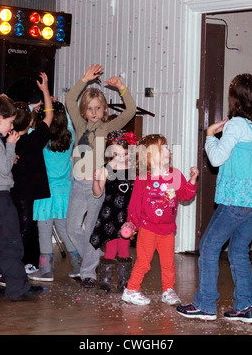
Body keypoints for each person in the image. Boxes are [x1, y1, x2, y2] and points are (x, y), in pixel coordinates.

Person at [176, 73, 252, 323]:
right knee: (239, 251)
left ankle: (205, 304)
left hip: (237, 201)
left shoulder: (236, 125)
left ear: (236, 99)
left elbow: (216, 159)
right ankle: (245, 308)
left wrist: (210, 135)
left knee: (209, 247)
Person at [65, 64, 137, 288]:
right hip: (78, 185)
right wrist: (85, 79)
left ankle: (88, 273)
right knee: (72, 228)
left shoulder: (107, 127)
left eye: (98, 108)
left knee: (92, 230)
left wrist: (122, 88)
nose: (94, 112)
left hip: (98, 187)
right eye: (90, 108)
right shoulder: (79, 125)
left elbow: (130, 111)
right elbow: (69, 100)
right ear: (84, 111)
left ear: (104, 110)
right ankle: (92, 257)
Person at [0, 94, 42, 301]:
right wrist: (11, 145)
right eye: (10, 122)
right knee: (11, 242)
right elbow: (4, 170)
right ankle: (17, 288)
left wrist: (8, 154)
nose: (11, 127)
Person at [121, 134, 199, 305]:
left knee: (168, 263)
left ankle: (168, 290)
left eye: (167, 147)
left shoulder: (175, 174)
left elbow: (185, 195)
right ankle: (131, 289)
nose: (168, 150)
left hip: (168, 229)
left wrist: (192, 181)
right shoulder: (143, 177)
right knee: (143, 261)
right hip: (147, 228)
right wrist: (131, 223)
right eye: (161, 148)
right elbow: (135, 204)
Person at [28, 100, 82, 282]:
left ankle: (46, 271)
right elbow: (66, 119)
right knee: (65, 230)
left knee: (44, 231)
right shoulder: (71, 136)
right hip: (65, 193)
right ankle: (78, 265)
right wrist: (59, 106)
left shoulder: (40, 139)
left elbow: (25, 122)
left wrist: (32, 108)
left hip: (44, 194)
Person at [11, 72, 52, 273]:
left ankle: (26, 262)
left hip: (13, 192)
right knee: (26, 229)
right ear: (29, 123)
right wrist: (45, 91)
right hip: (26, 195)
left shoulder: (7, 140)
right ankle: (19, 264)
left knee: (23, 228)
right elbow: (50, 116)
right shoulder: (34, 139)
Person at [90, 129, 137, 292]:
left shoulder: (135, 170)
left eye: (124, 154)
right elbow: (97, 193)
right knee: (110, 249)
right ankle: (104, 282)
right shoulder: (106, 169)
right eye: (116, 154)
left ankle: (124, 282)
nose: (121, 158)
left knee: (124, 248)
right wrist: (95, 179)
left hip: (126, 215)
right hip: (110, 215)